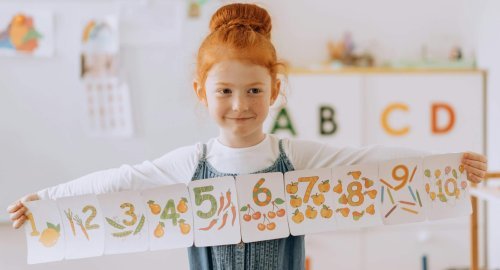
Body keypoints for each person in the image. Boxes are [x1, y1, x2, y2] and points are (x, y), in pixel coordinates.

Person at [7, 3, 488, 270]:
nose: (240, 104)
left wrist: (448, 165)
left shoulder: (293, 154)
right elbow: (120, 181)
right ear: (202, 92)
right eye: (226, 91)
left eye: (254, 89)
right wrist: (46, 201)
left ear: (275, 89)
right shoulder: (188, 163)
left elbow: (366, 160)